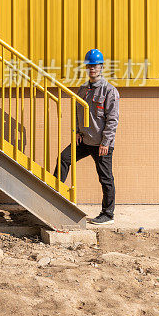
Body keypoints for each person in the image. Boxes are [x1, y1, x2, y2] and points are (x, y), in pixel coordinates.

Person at [57, 49, 120, 225]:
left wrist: (106, 142)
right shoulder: (83, 89)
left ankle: (108, 214)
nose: (92, 69)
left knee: (105, 178)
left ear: (101, 67)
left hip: (101, 144)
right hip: (85, 141)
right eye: (90, 66)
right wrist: (78, 131)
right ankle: (55, 195)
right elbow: (79, 112)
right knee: (64, 158)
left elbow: (112, 119)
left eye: (95, 66)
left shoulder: (110, 91)